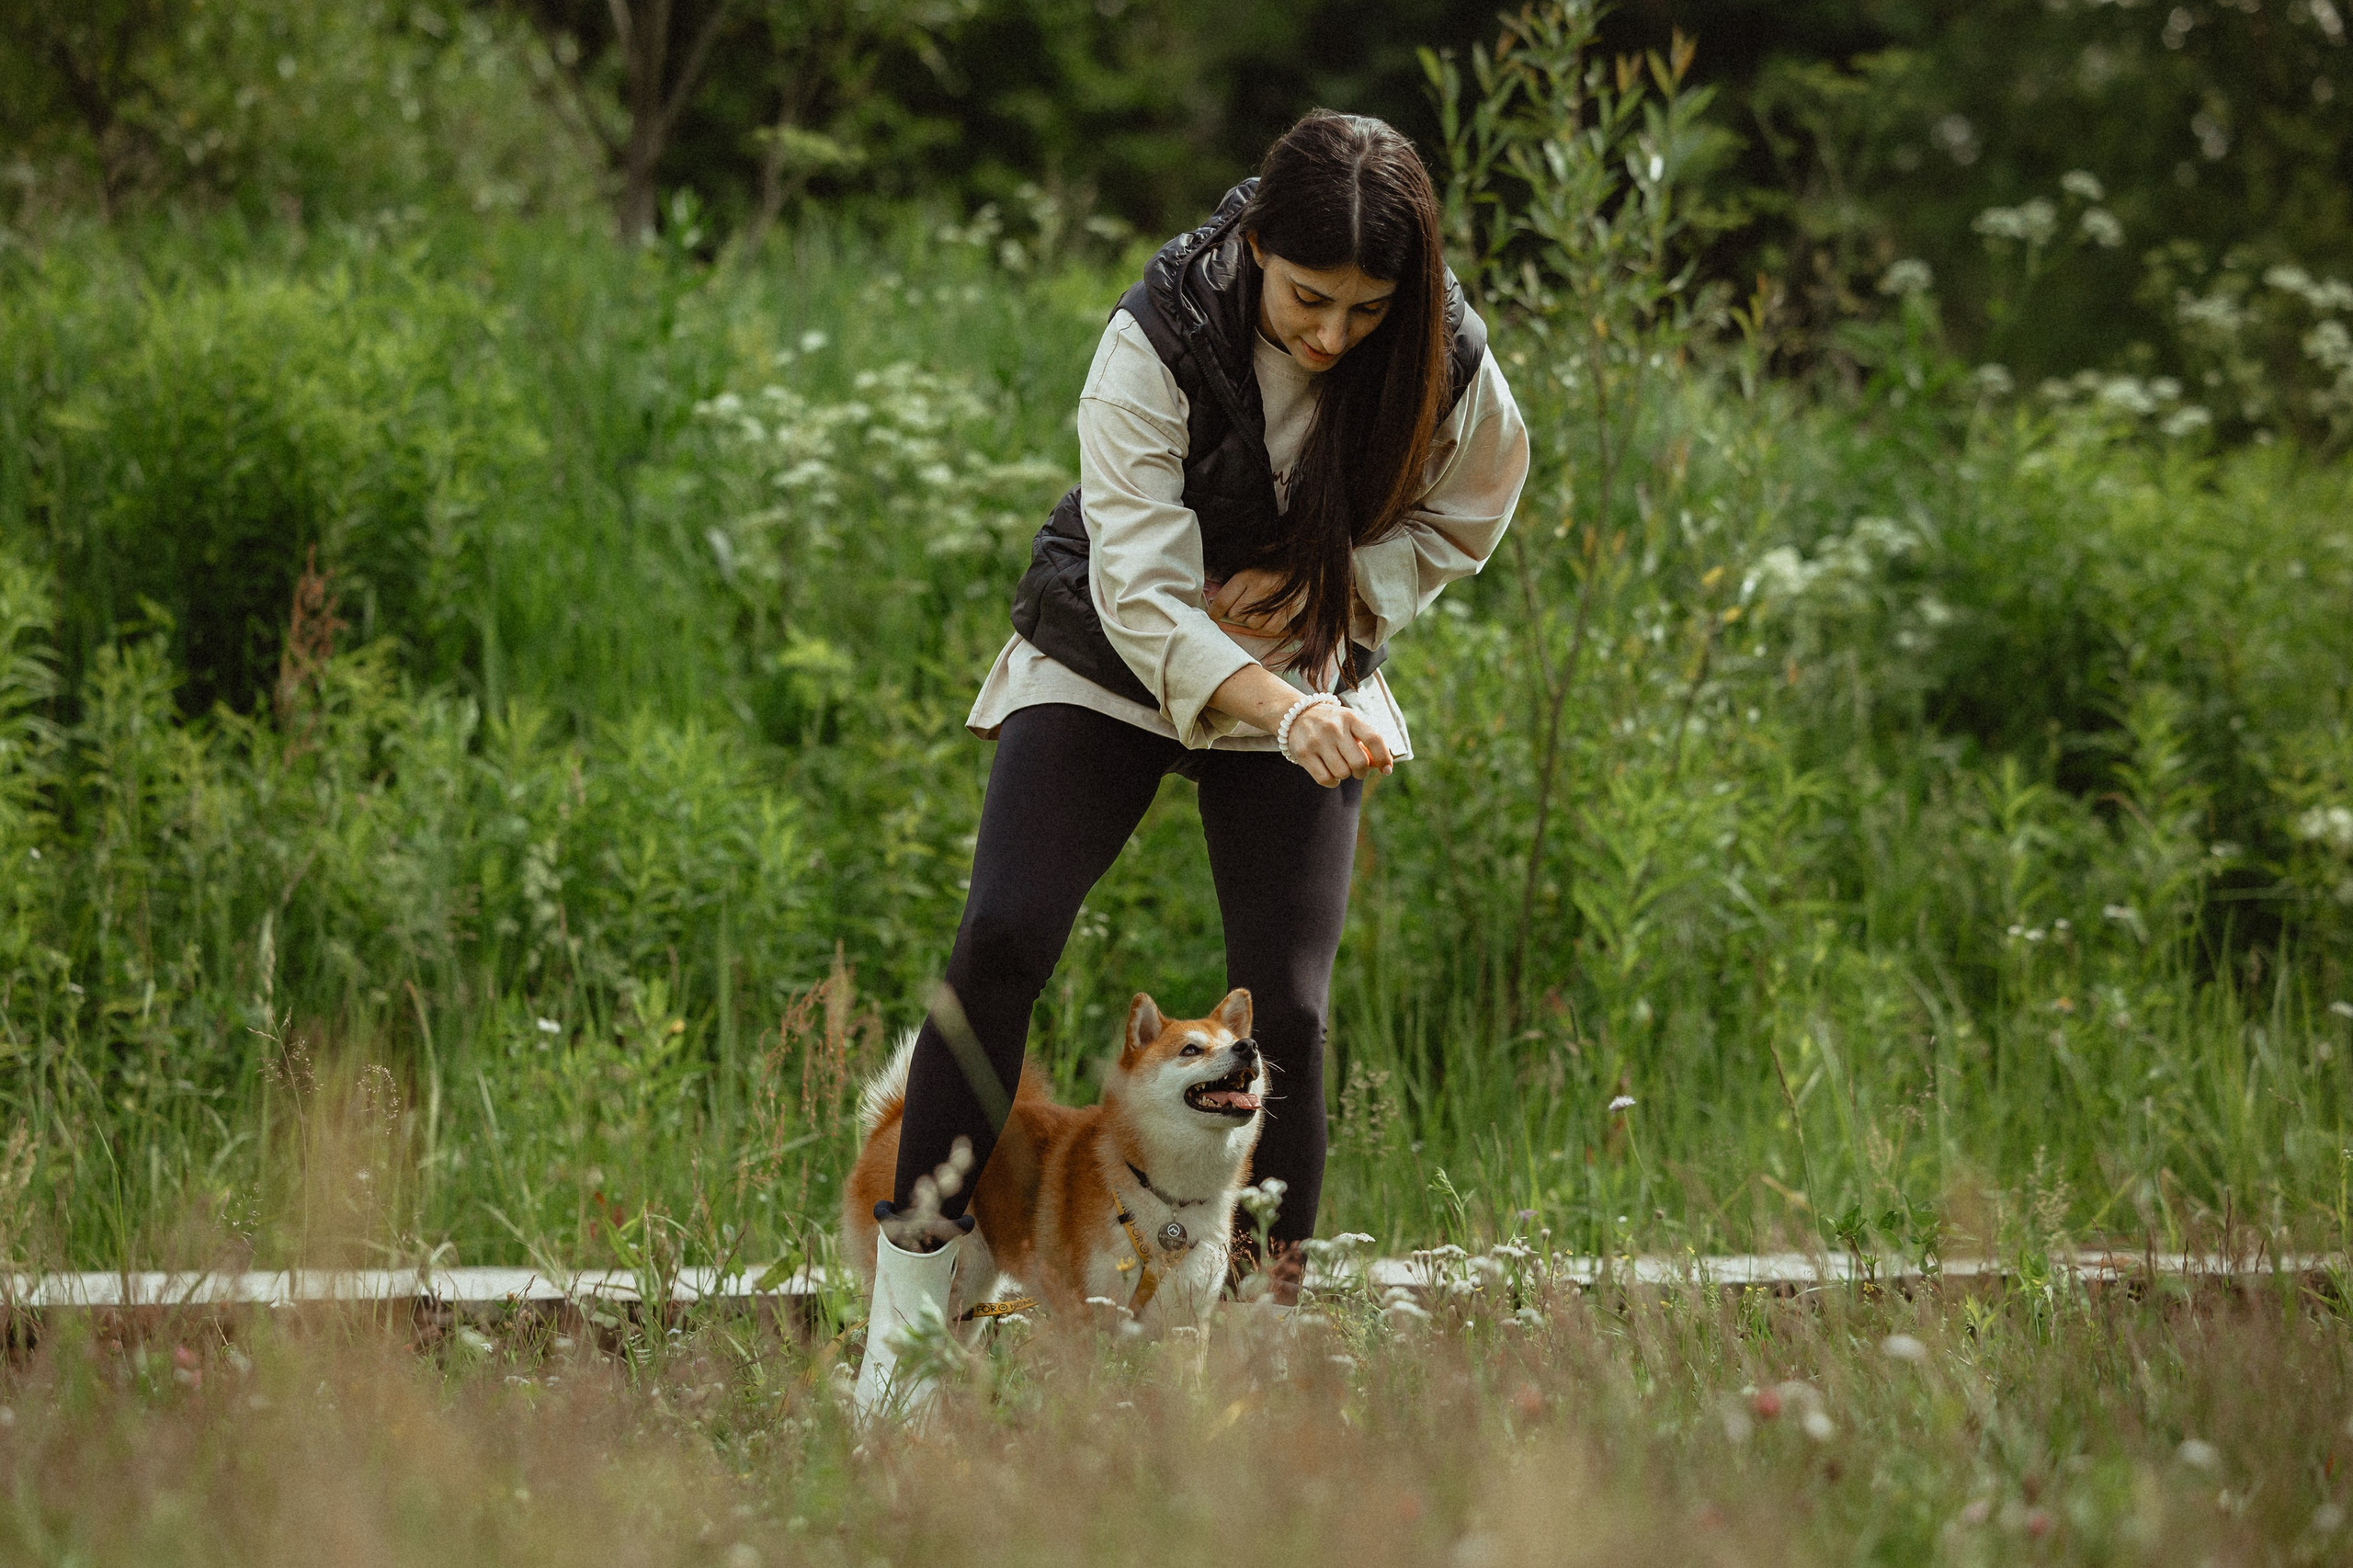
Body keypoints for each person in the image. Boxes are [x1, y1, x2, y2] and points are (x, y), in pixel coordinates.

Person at [853, 108, 1529, 1415]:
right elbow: (1141, 594)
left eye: (1367, 309)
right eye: (1308, 298)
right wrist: (1280, 707)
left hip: (1306, 650)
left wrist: (1341, 593)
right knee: (1001, 937)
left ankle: (1254, 1363)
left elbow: (1477, 503)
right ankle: (904, 1347)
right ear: (1257, 244)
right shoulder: (1154, 334)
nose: (1333, 335)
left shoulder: (1445, 352)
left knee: (1294, 1008)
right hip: (1116, 641)